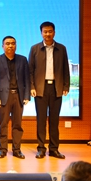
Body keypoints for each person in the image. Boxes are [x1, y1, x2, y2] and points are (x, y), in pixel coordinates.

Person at [28, 21, 70, 159]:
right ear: (41, 33)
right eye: (45, 32)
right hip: (40, 88)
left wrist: (66, 86)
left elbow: (65, 69)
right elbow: (30, 70)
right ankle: (41, 148)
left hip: (56, 88)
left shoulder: (61, 49)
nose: (48, 34)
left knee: (54, 121)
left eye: (50, 31)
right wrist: (32, 87)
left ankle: (53, 149)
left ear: (54, 32)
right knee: (41, 120)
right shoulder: (35, 49)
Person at [0, 36, 30, 159]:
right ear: (2, 46)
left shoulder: (23, 60)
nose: (10, 46)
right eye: (7, 43)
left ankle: (17, 150)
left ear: (16, 45)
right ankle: (2, 149)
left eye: (13, 43)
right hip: (3, 96)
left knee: (17, 125)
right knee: (3, 124)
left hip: (18, 96)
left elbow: (27, 79)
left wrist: (27, 96)